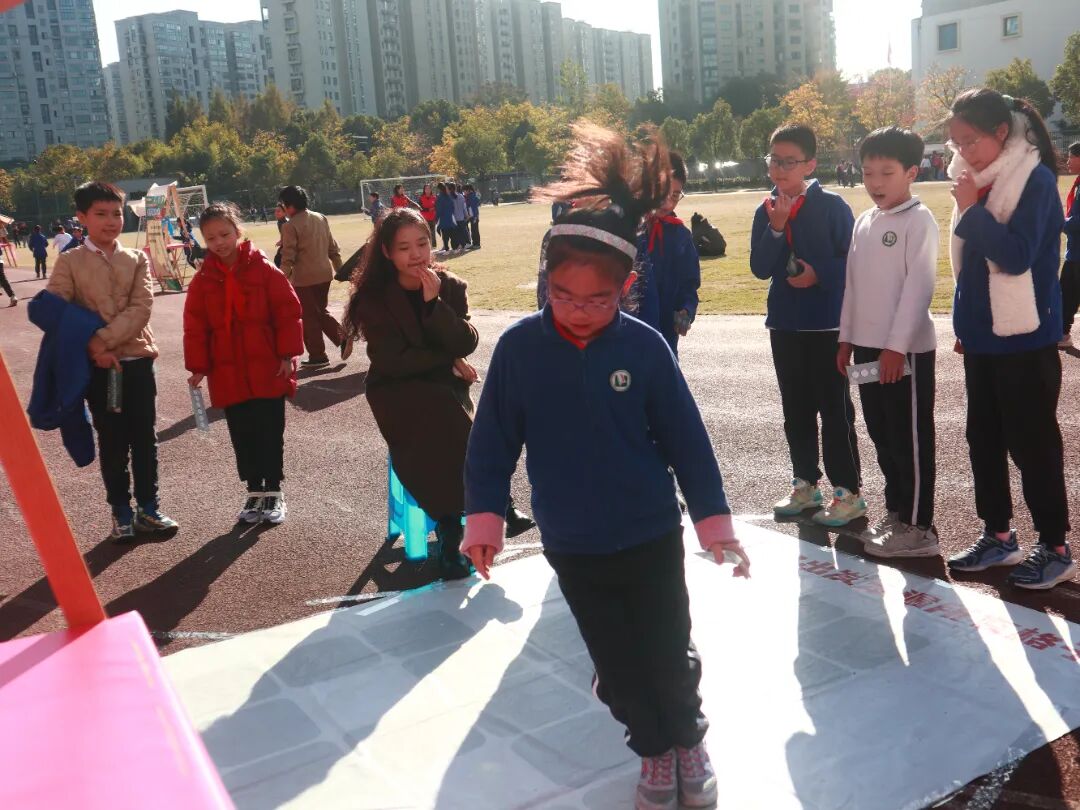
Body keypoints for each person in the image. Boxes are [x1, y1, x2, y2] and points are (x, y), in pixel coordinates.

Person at [461, 123, 750, 810]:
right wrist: (484, 519)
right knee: (616, 666)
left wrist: (713, 523)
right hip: (574, 541)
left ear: (628, 285)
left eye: (599, 299)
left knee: (668, 650)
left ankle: (687, 741)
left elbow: (687, 441)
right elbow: (492, 442)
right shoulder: (521, 350)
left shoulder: (645, 347)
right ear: (546, 282)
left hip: (650, 531)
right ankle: (652, 751)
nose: (580, 311)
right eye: (564, 295)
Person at [342, 208, 535, 579]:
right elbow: (393, 360)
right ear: (387, 252)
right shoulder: (373, 298)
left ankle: (455, 525)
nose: (416, 254)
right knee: (438, 412)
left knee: (449, 411)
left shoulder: (450, 286)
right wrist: (448, 360)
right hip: (395, 388)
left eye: (422, 244)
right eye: (404, 248)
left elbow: (466, 341)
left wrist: (435, 305)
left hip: (444, 386)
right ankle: (479, 511)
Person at [943, 89, 1075, 589]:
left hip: (1025, 338)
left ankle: (1056, 548)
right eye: (956, 142)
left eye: (970, 140)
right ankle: (998, 535)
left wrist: (972, 210)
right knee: (983, 440)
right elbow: (967, 264)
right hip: (983, 337)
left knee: (1033, 445)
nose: (962, 151)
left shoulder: (1034, 179)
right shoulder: (974, 177)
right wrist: (966, 326)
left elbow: (1017, 256)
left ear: (1001, 132)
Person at [46, 181, 178, 541]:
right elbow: (57, 310)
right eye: (101, 214)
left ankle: (149, 509)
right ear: (82, 218)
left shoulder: (136, 259)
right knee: (113, 441)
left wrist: (102, 342)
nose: (110, 221)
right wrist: (94, 350)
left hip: (137, 362)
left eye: (116, 213)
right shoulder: (70, 262)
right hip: (99, 370)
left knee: (145, 438)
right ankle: (120, 512)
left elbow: (142, 307)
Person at [750, 124, 863, 527]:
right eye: (774, 161)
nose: (779, 169)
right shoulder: (765, 210)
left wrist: (820, 274)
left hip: (827, 326)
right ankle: (805, 484)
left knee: (835, 411)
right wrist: (776, 228)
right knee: (795, 411)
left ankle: (847, 492)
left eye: (789, 162)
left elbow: (853, 262)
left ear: (810, 165)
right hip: (784, 325)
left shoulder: (832, 206)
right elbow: (760, 267)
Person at [837, 127, 939, 558]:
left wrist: (896, 346)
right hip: (866, 348)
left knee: (909, 437)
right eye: (868, 172)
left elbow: (919, 288)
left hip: (905, 350)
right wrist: (846, 339)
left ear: (912, 172)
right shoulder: (864, 221)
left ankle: (920, 528)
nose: (875, 182)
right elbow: (853, 286)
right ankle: (897, 513)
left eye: (886, 172)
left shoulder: (919, 220)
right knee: (882, 434)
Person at [184, 203, 303, 525]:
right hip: (228, 372)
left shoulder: (264, 269)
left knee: (269, 430)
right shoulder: (204, 279)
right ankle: (253, 489)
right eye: (211, 238)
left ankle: (274, 490)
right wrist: (198, 366)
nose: (219, 242)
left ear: (238, 231)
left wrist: (287, 355)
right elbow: (195, 326)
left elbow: (287, 312)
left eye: (224, 234)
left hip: (267, 367)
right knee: (242, 433)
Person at [635, 151, 700, 357]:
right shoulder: (626, 230)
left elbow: (689, 284)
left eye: (675, 195)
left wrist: (686, 311)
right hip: (627, 336)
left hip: (665, 339)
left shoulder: (681, 236)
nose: (667, 203)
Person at [278, 185, 347, 367]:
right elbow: (333, 248)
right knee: (319, 311)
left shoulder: (289, 226)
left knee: (309, 317)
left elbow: (288, 257)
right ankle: (339, 340)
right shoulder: (320, 217)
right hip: (324, 274)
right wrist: (340, 270)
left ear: (289, 205)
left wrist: (279, 279)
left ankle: (319, 354)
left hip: (304, 279)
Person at [1058, 142, 1080, 348]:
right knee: (1066, 293)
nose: (1067, 161)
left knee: (1068, 293)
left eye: (1071, 156)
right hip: (1074, 251)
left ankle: (1062, 332)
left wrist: (1058, 222)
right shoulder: (1078, 183)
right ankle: (1062, 334)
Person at [435, 182, 455, 253]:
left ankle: (446, 249)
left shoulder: (440, 197)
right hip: (450, 217)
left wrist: (436, 218)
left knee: (445, 235)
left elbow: (439, 209)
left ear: (439, 189)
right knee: (452, 234)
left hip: (443, 218)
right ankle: (454, 248)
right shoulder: (449, 196)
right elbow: (452, 207)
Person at [449, 182, 469, 250]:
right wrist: (466, 215)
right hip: (461, 217)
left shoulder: (449, 197)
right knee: (462, 232)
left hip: (453, 219)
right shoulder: (461, 196)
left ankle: (458, 246)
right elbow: (464, 207)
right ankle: (462, 245)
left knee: (455, 234)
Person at [463, 184, 481, 249]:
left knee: (474, 230)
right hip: (473, 216)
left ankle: (477, 244)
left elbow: (472, 208)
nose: (464, 192)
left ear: (468, 190)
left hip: (473, 216)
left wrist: (470, 216)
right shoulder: (472, 195)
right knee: (474, 230)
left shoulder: (471, 196)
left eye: (464, 190)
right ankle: (474, 244)